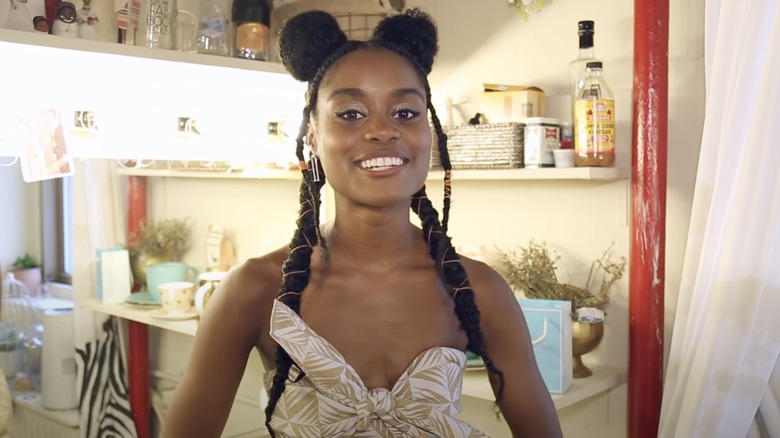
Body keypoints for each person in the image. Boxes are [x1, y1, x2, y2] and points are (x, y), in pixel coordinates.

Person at [162, 8, 562, 438]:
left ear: (430, 131)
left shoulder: (479, 290)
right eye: (351, 113)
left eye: (405, 112)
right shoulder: (255, 290)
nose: (382, 130)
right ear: (312, 134)